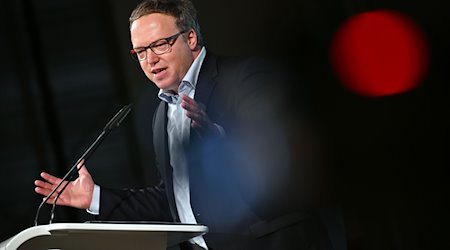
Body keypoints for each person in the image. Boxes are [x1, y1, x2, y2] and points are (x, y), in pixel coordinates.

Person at [35, 0, 334, 249]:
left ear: (190, 38)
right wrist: (95, 197)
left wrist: (224, 143)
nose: (150, 60)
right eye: (140, 52)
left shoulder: (244, 79)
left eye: (160, 45)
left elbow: (289, 168)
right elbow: (176, 201)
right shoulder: (161, 113)